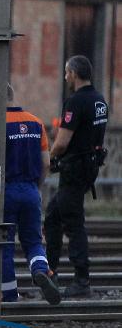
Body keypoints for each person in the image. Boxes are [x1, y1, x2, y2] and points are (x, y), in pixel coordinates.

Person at [45, 55, 108, 298]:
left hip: (73, 171)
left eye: (66, 72)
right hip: (87, 169)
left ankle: (82, 280)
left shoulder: (75, 101)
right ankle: (51, 273)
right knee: (52, 217)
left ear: (73, 74)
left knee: (73, 224)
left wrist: (49, 159)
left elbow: (62, 142)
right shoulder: (99, 100)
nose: (65, 77)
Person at [3, 84, 61, 304]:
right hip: (30, 190)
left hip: (5, 191)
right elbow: (46, 162)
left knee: (4, 244)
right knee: (34, 242)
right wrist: (36, 188)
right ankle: (39, 269)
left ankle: (8, 295)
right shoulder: (36, 123)